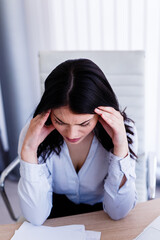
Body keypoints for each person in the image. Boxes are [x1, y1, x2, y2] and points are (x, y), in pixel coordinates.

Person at [18, 58, 138, 226]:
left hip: (102, 211)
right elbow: (36, 216)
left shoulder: (122, 131)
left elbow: (118, 212)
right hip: (53, 209)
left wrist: (120, 147)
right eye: (60, 121)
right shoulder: (33, 133)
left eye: (84, 123)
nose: (72, 134)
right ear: (48, 112)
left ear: (101, 113)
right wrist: (29, 151)